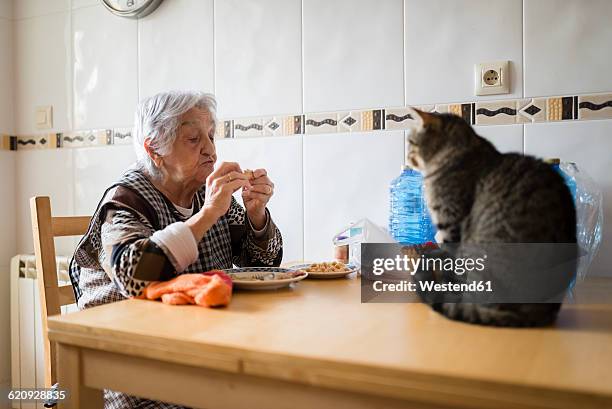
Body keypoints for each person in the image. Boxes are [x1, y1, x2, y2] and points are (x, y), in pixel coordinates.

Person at [69, 90, 283, 408]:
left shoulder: (203, 193)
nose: (211, 150)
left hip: (197, 350)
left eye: (211, 136)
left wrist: (255, 215)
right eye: (194, 139)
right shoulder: (126, 200)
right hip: (130, 367)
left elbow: (261, 265)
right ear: (155, 149)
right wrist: (208, 213)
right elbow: (135, 277)